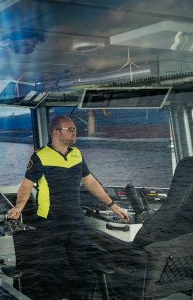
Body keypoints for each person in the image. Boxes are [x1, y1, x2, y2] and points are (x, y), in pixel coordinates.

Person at [7, 115, 128, 299]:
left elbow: (90, 182)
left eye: (75, 129)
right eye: (70, 129)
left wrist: (112, 205)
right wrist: (19, 207)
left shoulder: (76, 154)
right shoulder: (40, 156)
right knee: (54, 269)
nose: (74, 132)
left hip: (75, 220)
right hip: (50, 222)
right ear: (56, 132)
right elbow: (26, 185)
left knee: (82, 265)